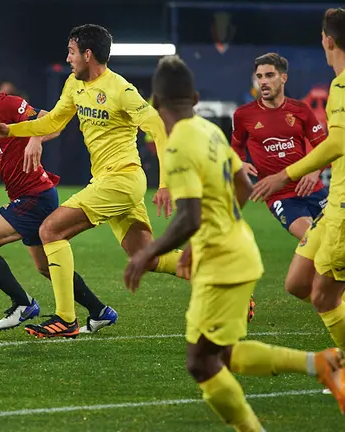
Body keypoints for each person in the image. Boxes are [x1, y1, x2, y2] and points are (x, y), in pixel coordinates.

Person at [124, 53, 345, 432]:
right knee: (217, 353)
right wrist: (214, 231)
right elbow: (241, 186)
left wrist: (148, 252)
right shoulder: (209, 130)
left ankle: (274, 408)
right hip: (236, 249)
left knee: (201, 361)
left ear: (156, 104)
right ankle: (320, 363)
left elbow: (188, 215)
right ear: (194, 99)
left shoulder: (177, 145)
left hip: (222, 261)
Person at [0, 24, 182, 338]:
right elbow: (52, 121)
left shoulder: (120, 88)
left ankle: (65, 319)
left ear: (87, 54)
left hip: (122, 180)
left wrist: (167, 183)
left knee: (50, 229)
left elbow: (158, 127)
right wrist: (11, 131)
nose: (68, 58)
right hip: (107, 181)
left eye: (72, 52)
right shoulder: (74, 85)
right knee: (147, 257)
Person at [0, 51, 115, 333]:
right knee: (46, 268)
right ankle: (100, 311)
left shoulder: (6, 105)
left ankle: (22, 303)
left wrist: (35, 139)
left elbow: (51, 121)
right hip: (23, 195)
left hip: (36, 194)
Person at [252, 8, 345, 354]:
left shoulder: (340, 83)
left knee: (323, 295)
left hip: (339, 204)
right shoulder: (246, 115)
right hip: (331, 203)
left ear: (328, 40)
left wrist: (284, 175)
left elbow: (335, 143)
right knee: (297, 283)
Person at [231, 53, 328, 242]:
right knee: (312, 240)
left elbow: (323, 147)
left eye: (269, 75)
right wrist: (240, 163)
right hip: (281, 195)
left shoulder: (301, 110)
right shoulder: (243, 115)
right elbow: (235, 147)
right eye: (259, 77)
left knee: (335, 242)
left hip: (312, 188)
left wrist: (315, 172)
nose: (263, 82)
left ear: (283, 78)